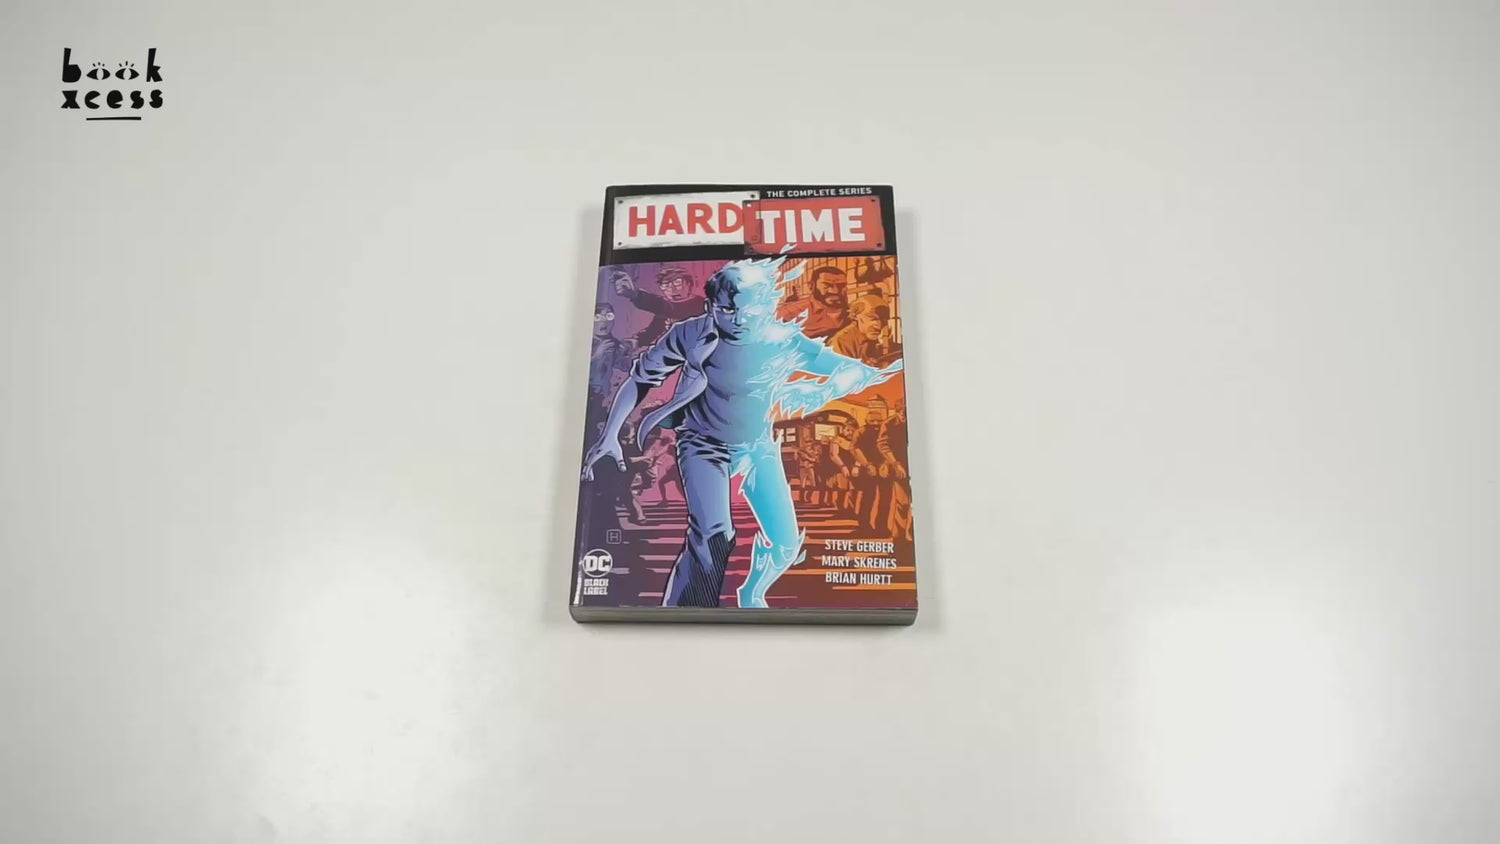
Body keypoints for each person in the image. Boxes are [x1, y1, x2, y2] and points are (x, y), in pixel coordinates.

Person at [583, 257, 901, 608]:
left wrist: (856, 376)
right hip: (703, 444)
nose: (738, 321)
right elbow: (640, 379)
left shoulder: (783, 339)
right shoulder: (691, 333)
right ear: (711, 307)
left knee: (786, 544)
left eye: (749, 312)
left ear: (765, 308)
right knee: (714, 535)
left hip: (759, 446)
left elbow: (840, 366)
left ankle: (752, 592)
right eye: (727, 311)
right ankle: (685, 612)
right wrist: (609, 435)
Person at [614, 265, 705, 345]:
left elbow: (671, 308)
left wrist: (637, 295)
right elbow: (653, 331)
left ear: (689, 284)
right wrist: (634, 342)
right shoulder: (664, 312)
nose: (672, 289)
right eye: (666, 285)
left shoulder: (699, 303)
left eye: (677, 282)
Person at [776, 266, 849, 339]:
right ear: (811, 286)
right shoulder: (791, 312)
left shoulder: (851, 311)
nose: (835, 291)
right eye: (826, 285)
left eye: (841, 285)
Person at [828, 295, 891, 365]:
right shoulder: (841, 342)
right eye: (873, 319)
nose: (879, 326)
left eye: (883, 320)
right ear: (855, 316)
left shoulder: (869, 339)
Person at [797, 435, 822, 505]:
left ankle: (808, 497)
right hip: (803, 468)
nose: (808, 443)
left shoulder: (814, 450)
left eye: (810, 442)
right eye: (806, 442)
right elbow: (801, 458)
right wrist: (806, 456)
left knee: (813, 485)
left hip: (811, 468)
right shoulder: (801, 450)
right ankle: (801, 499)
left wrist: (808, 457)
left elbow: (816, 460)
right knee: (802, 485)